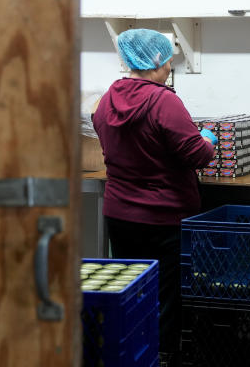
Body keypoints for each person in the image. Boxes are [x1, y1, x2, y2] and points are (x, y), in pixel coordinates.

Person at [92, 28, 216, 366]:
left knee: (132, 290)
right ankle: (162, 357)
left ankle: (131, 354)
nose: (169, 69)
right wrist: (207, 140)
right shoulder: (163, 100)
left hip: (120, 215)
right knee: (164, 293)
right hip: (163, 217)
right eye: (169, 63)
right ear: (156, 60)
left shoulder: (106, 99)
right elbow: (198, 156)